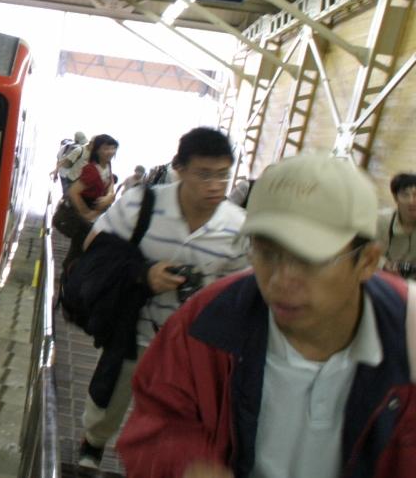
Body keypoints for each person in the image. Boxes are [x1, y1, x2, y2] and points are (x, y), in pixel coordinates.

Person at [118, 153, 416, 478]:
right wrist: (187, 466)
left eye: (310, 259)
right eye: (265, 252)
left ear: (367, 261)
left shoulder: (408, 336)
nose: (280, 281)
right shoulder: (206, 323)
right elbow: (156, 422)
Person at [76, 127, 248, 472]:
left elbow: (239, 286)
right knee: (114, 393)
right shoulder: (142, 204)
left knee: (175, 413)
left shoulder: (237, 226)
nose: (215, 185)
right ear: (179, 168)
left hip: (192, 342)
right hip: (134, 326)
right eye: (204, 174)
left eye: (223, 175)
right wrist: (144, 274)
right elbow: (93, 248)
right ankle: (92, 445)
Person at [59, 134, 119, 270]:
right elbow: (73, 192)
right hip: (86, 217)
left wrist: (110, 196)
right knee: (78, 250)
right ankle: (69, 275)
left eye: (113, 148)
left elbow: (110, 182)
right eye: (106, 148)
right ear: (97, 150)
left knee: (85, 249)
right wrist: (86, 213)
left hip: (96, 215)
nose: (111, 151)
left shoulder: (107, 164)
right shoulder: (91, 170)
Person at [378, 172, 416, 277]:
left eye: (415, 195)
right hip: (379, 277)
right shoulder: (381, 221)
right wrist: (384, 264)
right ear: (396, 198)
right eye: (405, 195)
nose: (411, 201)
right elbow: (362, 251)